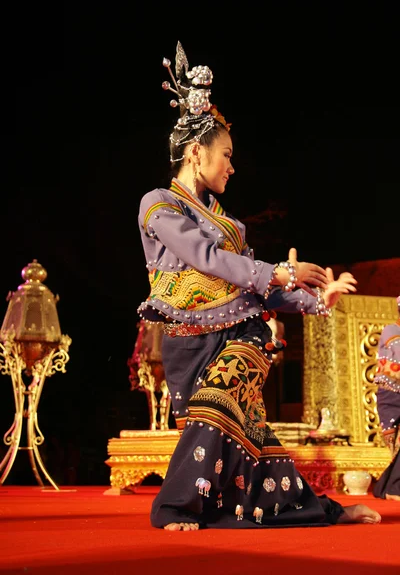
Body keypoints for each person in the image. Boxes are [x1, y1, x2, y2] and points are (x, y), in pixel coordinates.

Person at [137, 41, 381, 530]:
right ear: (194, 151)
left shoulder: (227, 222)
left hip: (238, 336)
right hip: (189, 344)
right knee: (254, 443)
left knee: (222, 406)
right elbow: (202, 258)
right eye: (225, 155)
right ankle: (321, 511)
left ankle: (174, 506)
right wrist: (279, 272)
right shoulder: (159, 204)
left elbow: (256, 285)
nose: (231, 166)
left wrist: (314, 297)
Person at [373, 296, 400, 501]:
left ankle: (385, 488)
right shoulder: (392, 330)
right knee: (395, 445)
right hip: (391, 395)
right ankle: (391, 488)